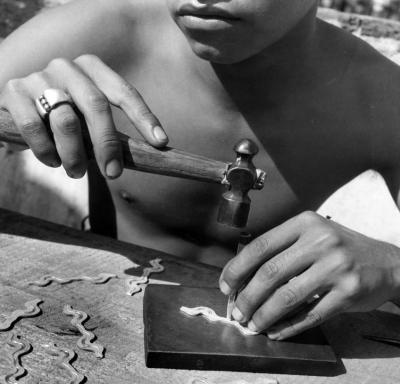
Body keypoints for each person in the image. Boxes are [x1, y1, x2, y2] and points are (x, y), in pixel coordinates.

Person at [1, 0, 400, 340]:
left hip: (257, 347)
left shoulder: (381, 94)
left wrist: (392, 268)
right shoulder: (93, 31)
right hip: (86, 319)